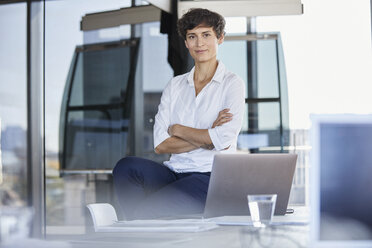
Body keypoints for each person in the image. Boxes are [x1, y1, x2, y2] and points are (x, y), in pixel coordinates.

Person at [113, 8, 245, 220]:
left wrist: (179, 130)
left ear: (220, 38)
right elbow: (161, 144)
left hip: (210, 177)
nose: (199, 43)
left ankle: (137, 225)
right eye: (192, 37)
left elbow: (224, 139)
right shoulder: (175, 85)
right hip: (173, 172)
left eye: (206, 35)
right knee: (126, 167)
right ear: (186, 43)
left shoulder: (232, 84)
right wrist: (208, 135)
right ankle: (142, 225)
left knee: (147, 211)